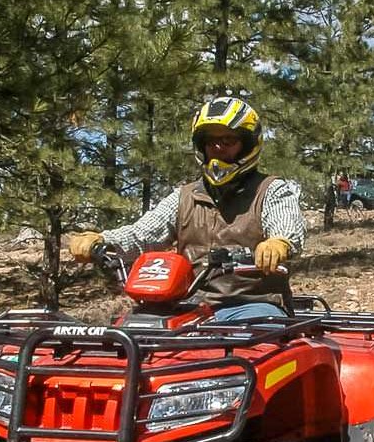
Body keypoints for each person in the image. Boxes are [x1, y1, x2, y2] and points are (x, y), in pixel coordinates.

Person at [69, 96, 305, 322]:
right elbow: (143, 234)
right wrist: (102, 240)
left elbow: (286, 224)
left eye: (228, 141)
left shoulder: (270, 190)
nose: (218, 148)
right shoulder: (184, 196)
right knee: (136, 333)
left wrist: (279, 243)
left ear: (248, 144)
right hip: (191, 303)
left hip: (251, 303)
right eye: (211, 142)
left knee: (254, 346)